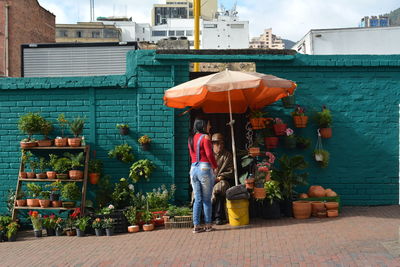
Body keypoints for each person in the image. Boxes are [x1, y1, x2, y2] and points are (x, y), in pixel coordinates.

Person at [188, 117, 218, 233]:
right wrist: (215, 166)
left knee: (197, 199)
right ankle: (208, 224)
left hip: (193, 169)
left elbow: (192, 155)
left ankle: (196, 226)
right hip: (204, 168)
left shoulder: (190, 138)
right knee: (206, 199)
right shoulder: (205, 137)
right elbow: (209, 154)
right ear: (203, 126)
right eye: (208, 125)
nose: (209, 127)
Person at [211, 133, 234, 225]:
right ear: (212, 144)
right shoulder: (207, 154)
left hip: (221, 180)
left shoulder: (227, 155)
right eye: (217, 143)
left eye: (221, 143)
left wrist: (220, 177)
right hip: (208, 180)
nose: (219, 146)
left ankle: (218, 217)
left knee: (219, 189)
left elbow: (231, 170)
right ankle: (205, 216)